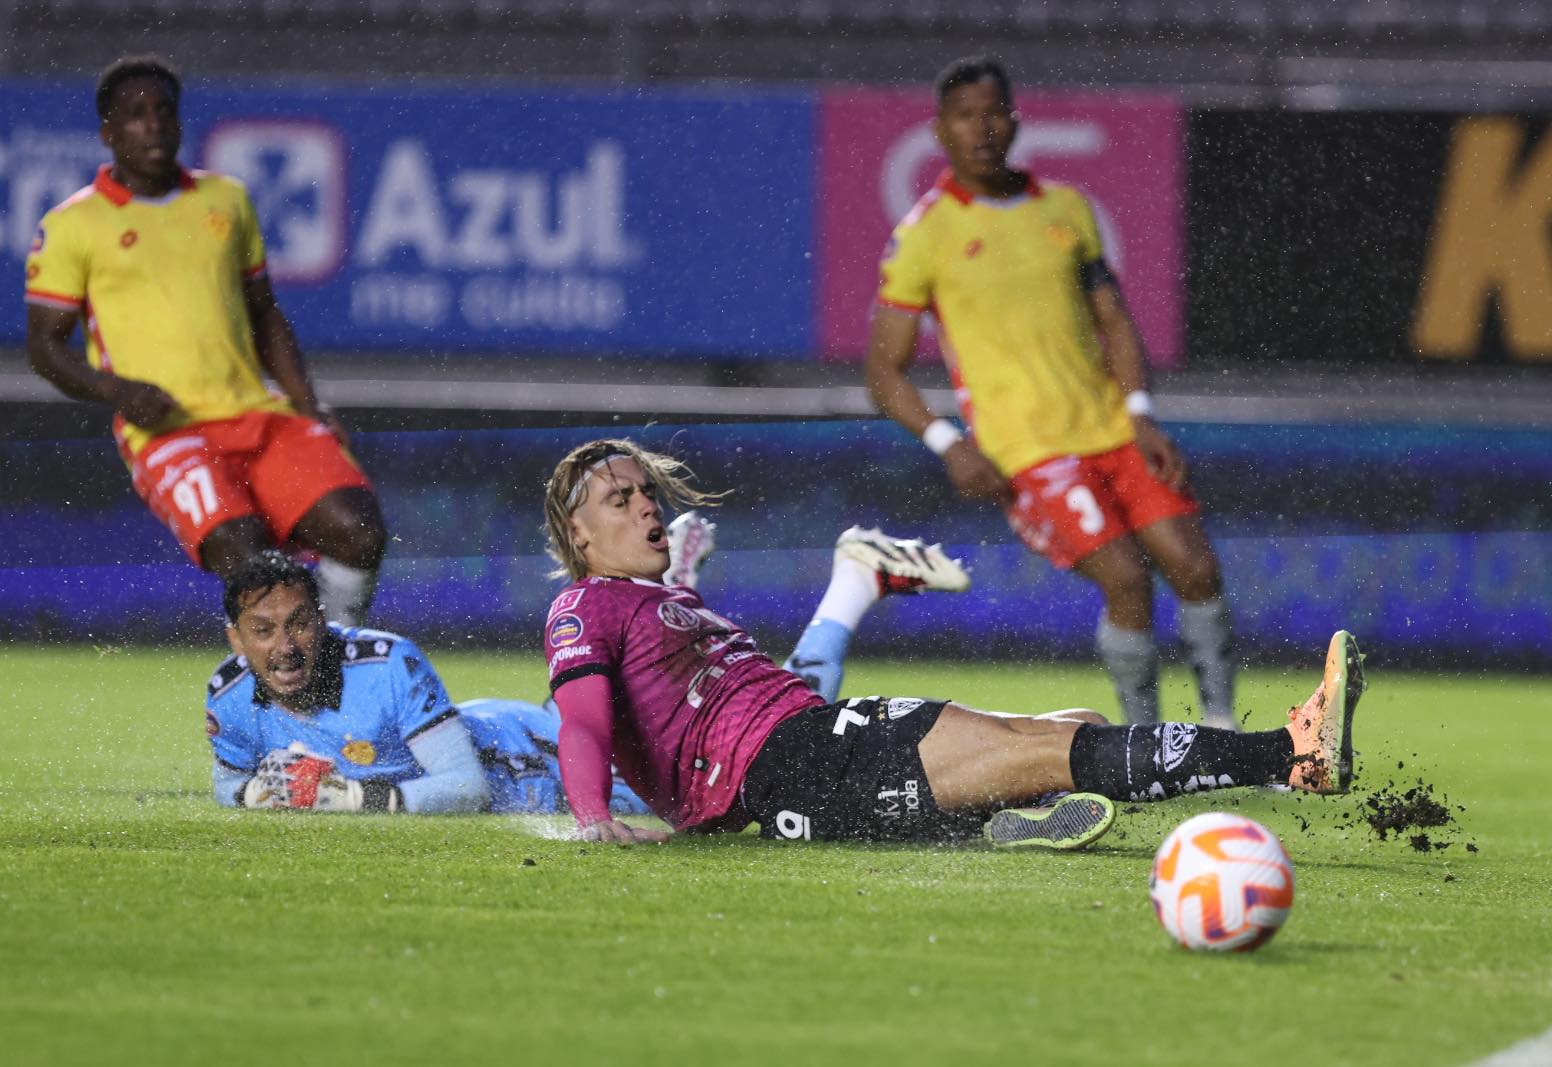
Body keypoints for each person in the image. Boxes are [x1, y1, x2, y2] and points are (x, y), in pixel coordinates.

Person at [541, 438, 1366, 848]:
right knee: (1048, 744)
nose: (646, 505)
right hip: (794, 763)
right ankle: (1288, 753)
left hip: (802, 768)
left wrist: (682, 572)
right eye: (621, 498)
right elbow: (582, 719)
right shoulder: (583, 607)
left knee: (1070, 724)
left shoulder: (654, 601)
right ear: (577, 533)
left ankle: (993, 821)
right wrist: (590, 818)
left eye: (648, 490)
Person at [863, 55, 1237, 730]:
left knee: (1197, 568)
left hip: (1114, 431)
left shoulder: (1067, 209)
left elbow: (1115, 320)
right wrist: (950, 444)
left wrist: (1142, 413)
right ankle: (1144, 742)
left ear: (1015, 119)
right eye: (965, 116)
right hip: (1026, 450)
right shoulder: (924, 235)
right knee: (1126, 579)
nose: (982, 128)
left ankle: (1220, 727)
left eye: (994, 112)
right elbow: (883, 371)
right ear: (940, 130)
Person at [208, 512, 970, 814]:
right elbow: (228, 783)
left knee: (778, 747)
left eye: (301, 621)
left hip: (540, 763)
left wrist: (349, 799)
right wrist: (256, 794)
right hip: (529, 725)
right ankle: (669, 603)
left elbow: (466, 788)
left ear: (325, 619)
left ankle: (852, 583)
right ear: (236, 638)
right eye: (264, 629)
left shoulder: (387, 663)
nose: (286, 644)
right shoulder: (228, 696)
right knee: (717, 709)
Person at [23, 55, 385, 626]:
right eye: (136, 114)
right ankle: (290, 690)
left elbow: (265, 313)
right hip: (170, 431)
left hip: (261, 417)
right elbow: (45, 346)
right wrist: (117, 391)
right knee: (254, 567)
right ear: (108, 133)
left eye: (164, 111)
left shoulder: (225, 200)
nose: (154, 125)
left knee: (358, 530)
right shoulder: (73, 225)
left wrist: (310, 409)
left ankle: (335, 660)